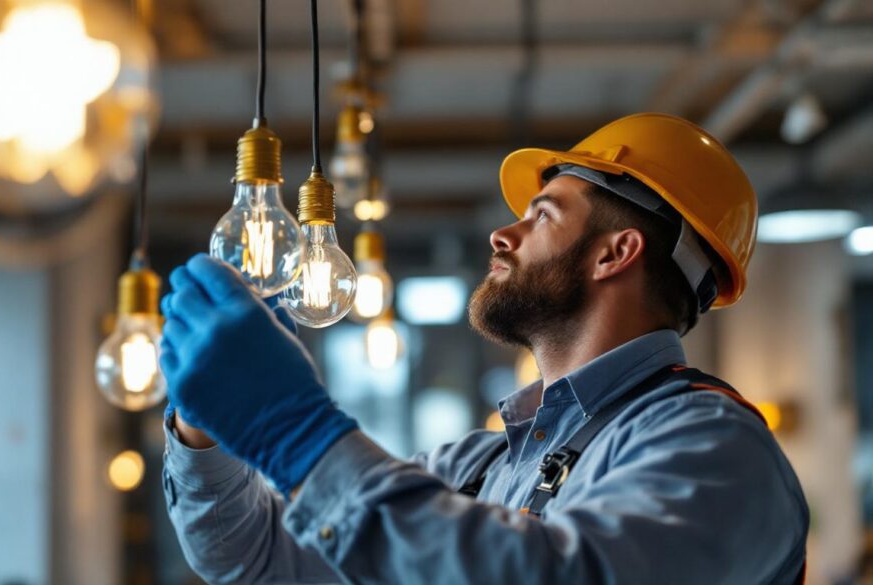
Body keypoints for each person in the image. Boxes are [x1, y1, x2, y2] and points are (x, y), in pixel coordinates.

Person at [158, 113, 809, 584]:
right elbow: (258, 561)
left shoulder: (713, 447)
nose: (502, 234)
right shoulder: (477, 468)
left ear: (615, 253)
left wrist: (298, 432)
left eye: (542, 215)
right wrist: (204, 421)